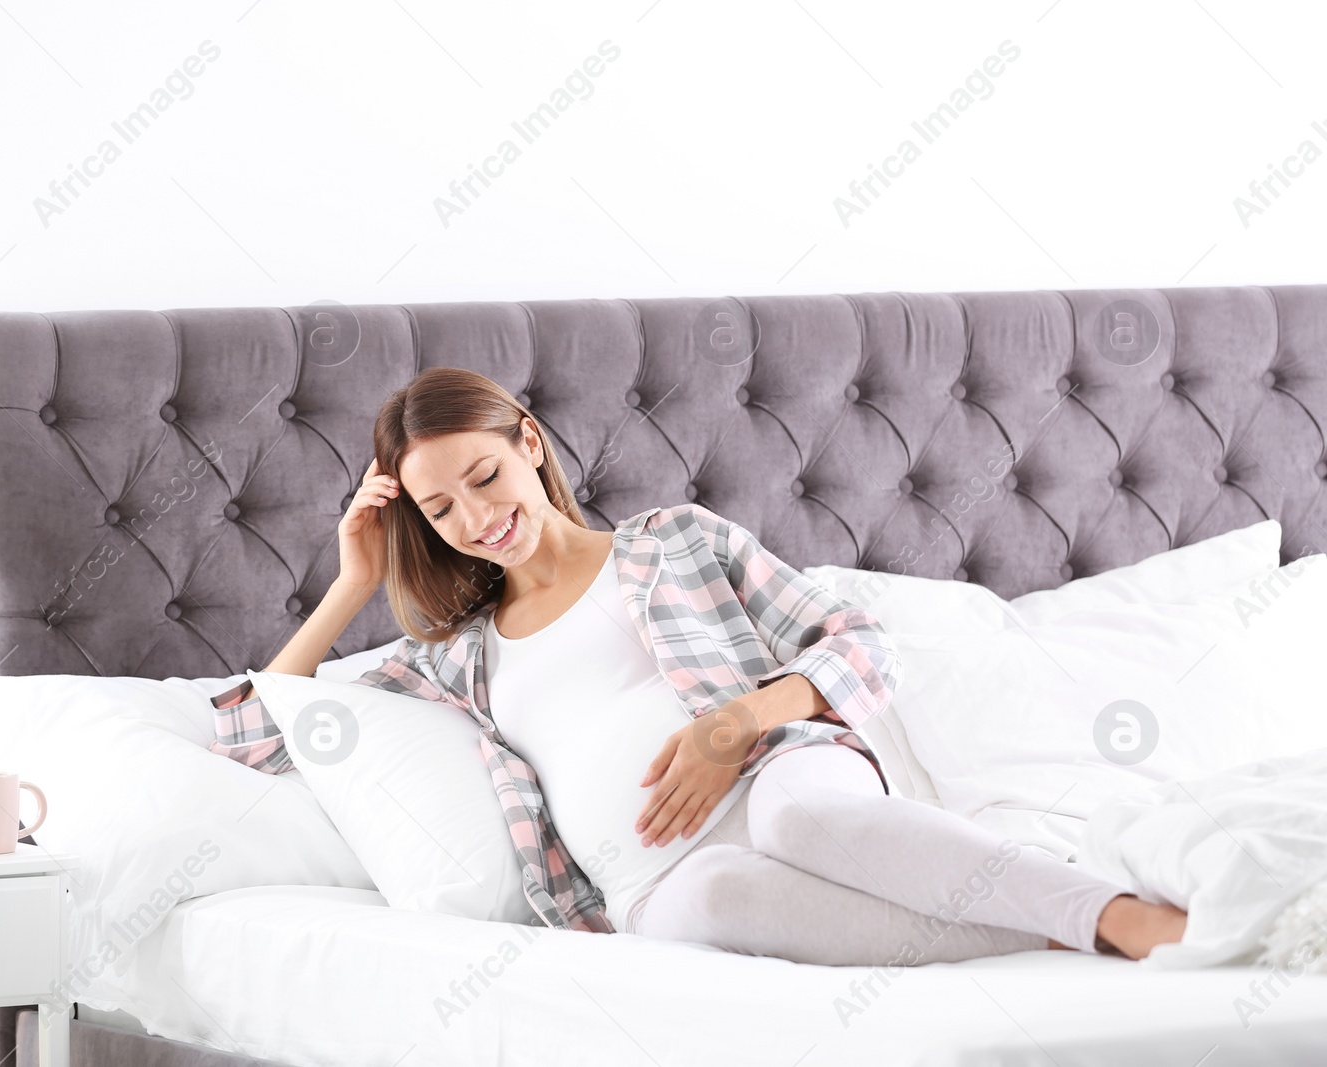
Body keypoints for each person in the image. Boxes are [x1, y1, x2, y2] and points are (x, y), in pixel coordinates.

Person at [224, 366, 1187, 965]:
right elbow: (259, 731)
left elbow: (860, 641)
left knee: (801, 814)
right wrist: (354, 582)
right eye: (440, 510)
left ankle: (1114, 914)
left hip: (778, 772)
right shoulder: (457, 656)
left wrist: (738, 725)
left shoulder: (674, 543)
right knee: (710, 900)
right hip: (651, 891)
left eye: (485, 477)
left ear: (527, 444)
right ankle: (1068, 928)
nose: (477, 518)